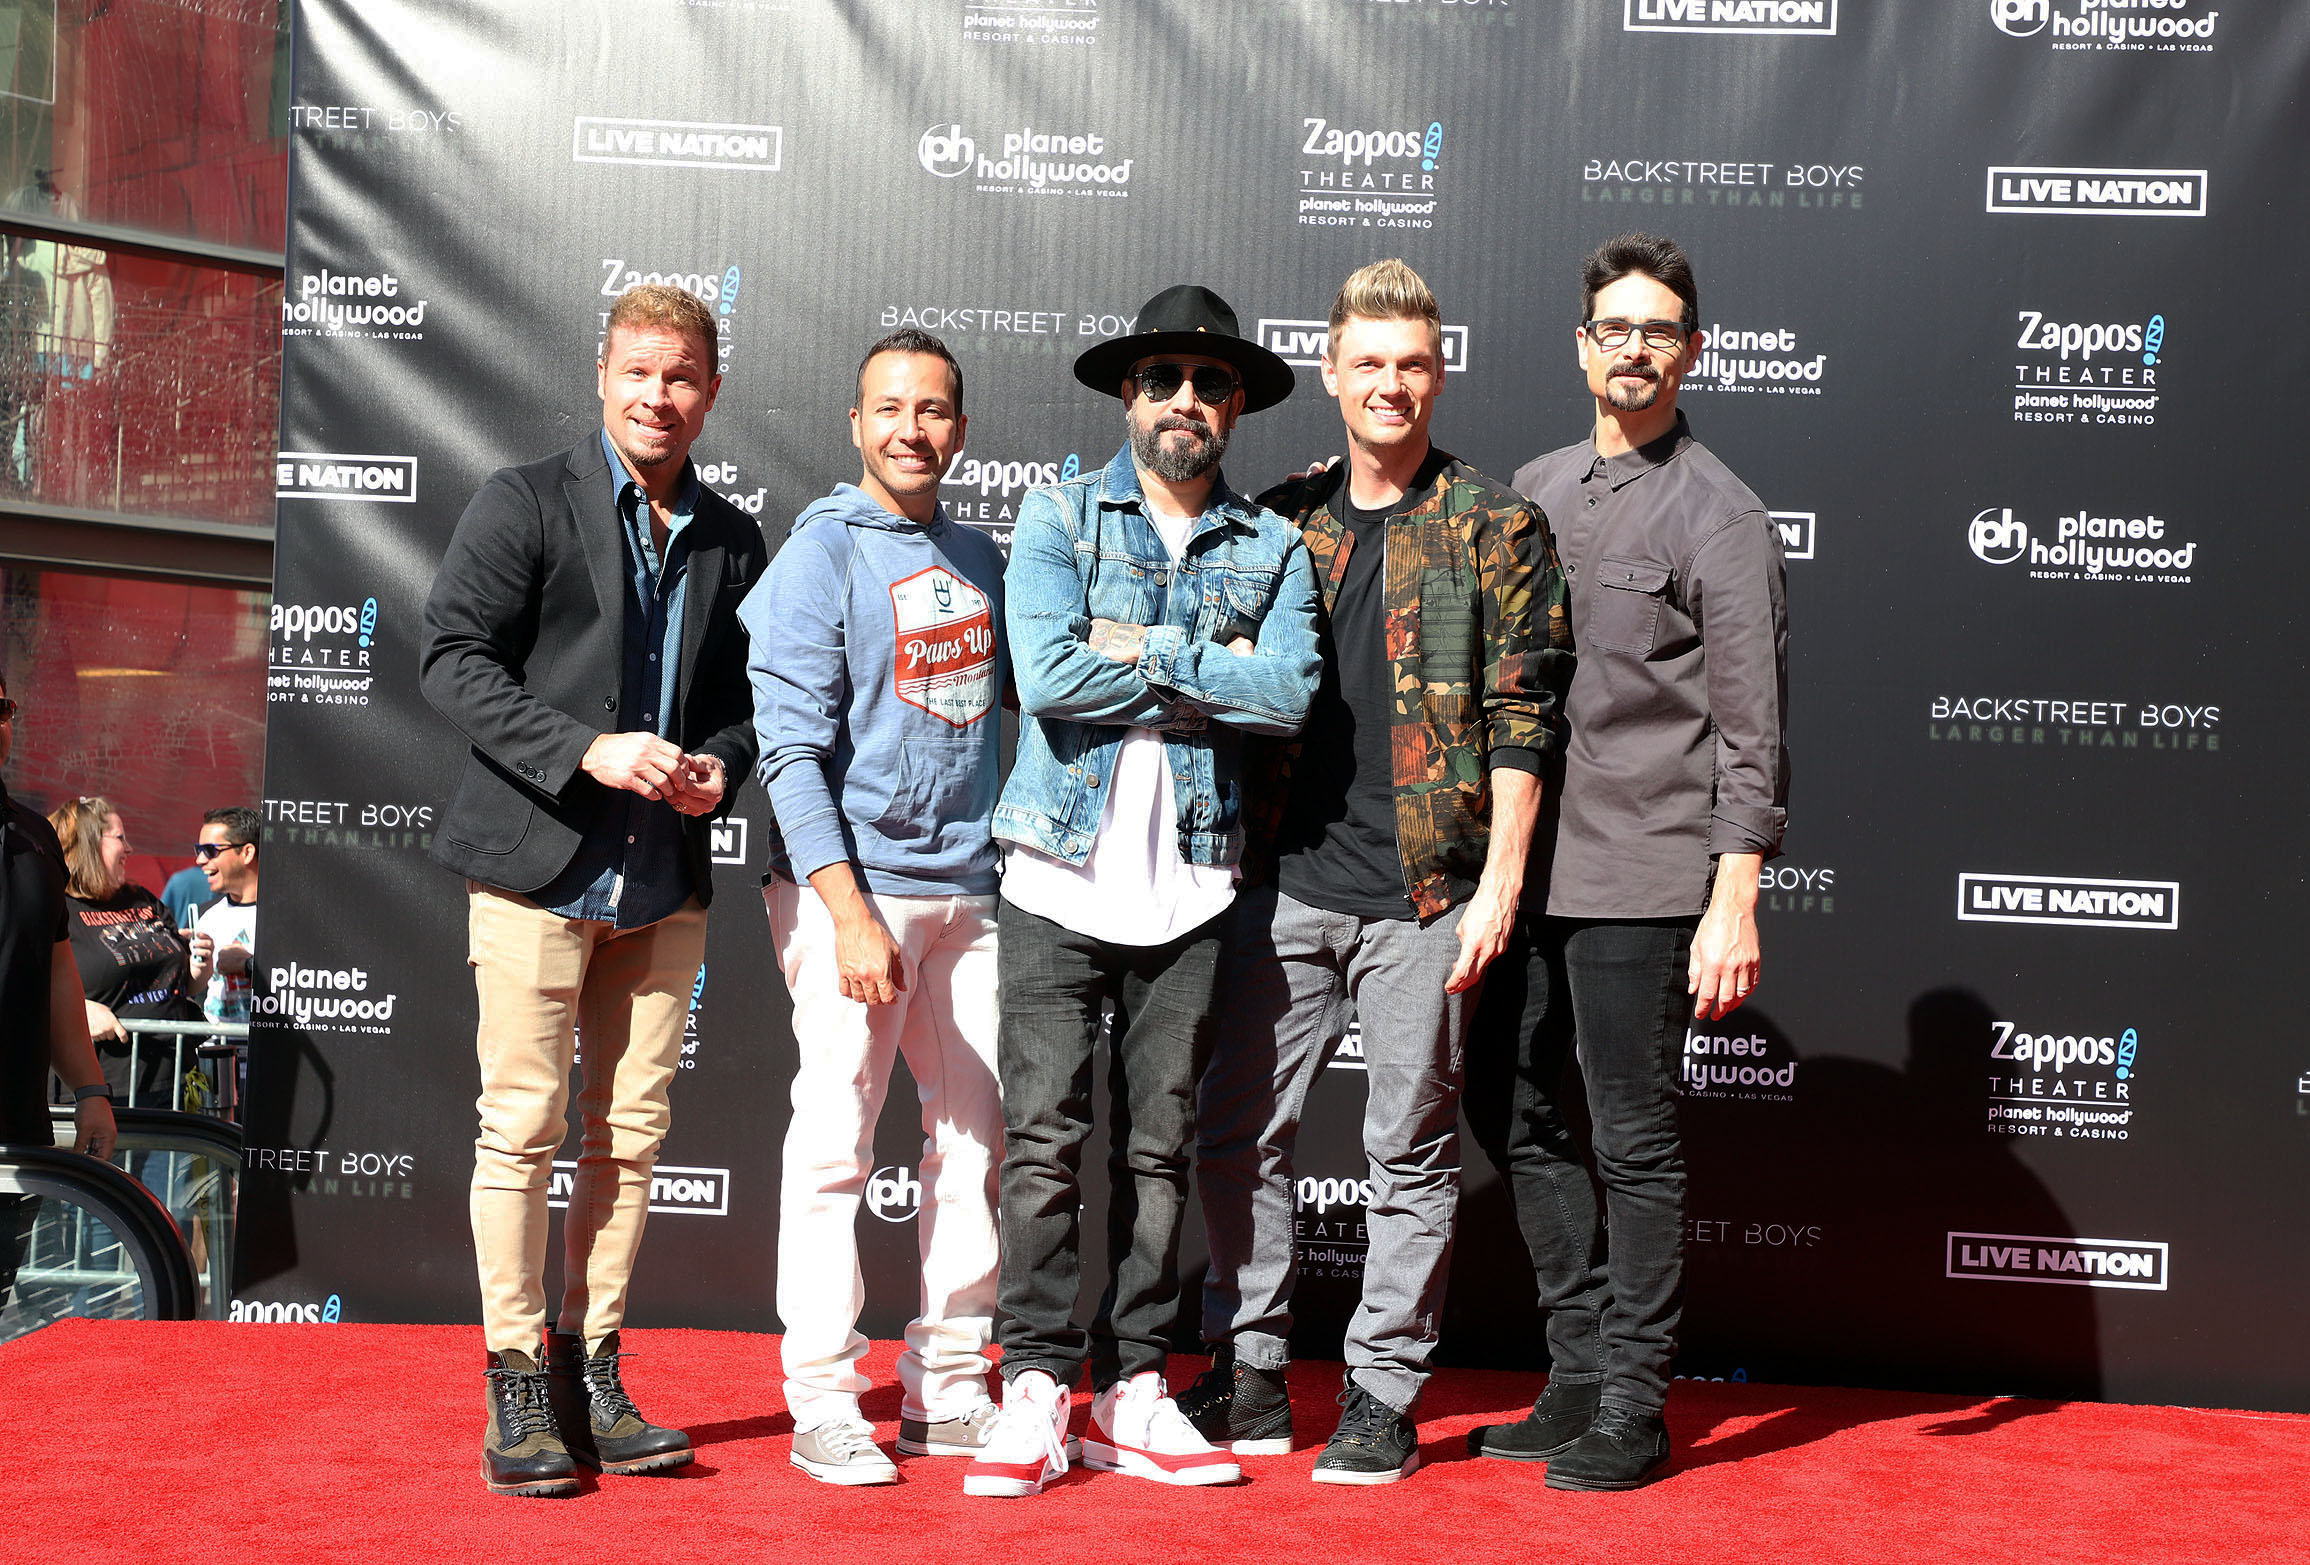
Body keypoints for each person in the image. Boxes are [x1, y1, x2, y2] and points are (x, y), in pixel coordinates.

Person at [1187, 259, 1574, 1485]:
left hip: (1430, 894)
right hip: (1283, 880)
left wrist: (1502, 880)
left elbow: (1526, 717)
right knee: (1241, 1131)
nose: (1390, 384)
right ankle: (1250, 1370)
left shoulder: (1496, 521)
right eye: (1369, 363)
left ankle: (1379, 1394)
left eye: (1412, 363)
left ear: (1438, 373)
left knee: (1409, 1150)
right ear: (1332, 373)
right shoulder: (1281, 519)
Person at [963, 286, 1322, 1499]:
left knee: (1161, 1153)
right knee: (1045, 1146)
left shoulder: (1272, 547)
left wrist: (1151, 649)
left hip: (1195, 894)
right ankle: (1031, 1388)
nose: (1186, 399)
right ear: (1129, 392)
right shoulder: (1059, 511)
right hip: (1056, 880)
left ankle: (1135, 1390)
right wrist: (1204, 673)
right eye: (1164, 377)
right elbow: (1050, 674)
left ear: (1236, 408)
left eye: (1210, 383)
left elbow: (1288, 700)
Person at [419, 283, 772, 1498]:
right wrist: (586, 745)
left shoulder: (733, 538)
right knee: (521, 1128)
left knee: (630, 1137)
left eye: (681, 376)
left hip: (662, 885)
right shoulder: (524, 500)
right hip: (535, 867)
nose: (657, 394)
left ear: (711, 392)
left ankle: (593, 1370)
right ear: (602, 375)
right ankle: (516, 1385)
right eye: (638, 371)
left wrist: (720, 761)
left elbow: (746, 701)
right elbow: (450, 659)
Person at [1465, 232, 1788, 1491]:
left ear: (1691, 349)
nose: (1636, 346)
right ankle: (1580, 1374)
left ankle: (1638, 1405)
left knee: (1636, 1140)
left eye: (1661, 329)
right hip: (1519, 874)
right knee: (1516, 1113)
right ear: (1583, 345)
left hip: (1648, 880)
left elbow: (1753, 728)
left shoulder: (1724, 512)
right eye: (1617, 327)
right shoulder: (1533, 486)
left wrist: (1736, 894)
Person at [740, 328, 1009, 1486]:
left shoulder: (984, 552)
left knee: (976, 1146)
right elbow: (789, 752)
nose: (912, 428)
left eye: (934, 409)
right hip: (857, 892)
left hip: (975, 892)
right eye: (890, 408)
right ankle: (823, 1399)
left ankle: (948, 1388)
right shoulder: (817, 553)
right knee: (834, 1149)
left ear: (959, 427)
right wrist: (843, 908)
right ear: (856, 423)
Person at [0, 674, 120, 1309]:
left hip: (14, 1133)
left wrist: (91, 1090)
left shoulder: (34, 837)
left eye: (1, 707)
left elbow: (56, 973)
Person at [47, 795, 200, 1108]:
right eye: (120, 838)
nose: (129, 848)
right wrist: (76, 1010)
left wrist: (197, 971)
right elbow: (19, 979)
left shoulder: (141, 899)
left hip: (172, 1083)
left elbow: (175, 980)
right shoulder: (56, 907)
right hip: (102, 1091)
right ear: (89, 844)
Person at [187, 806, 259, 1027]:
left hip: (268, 1056)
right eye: (198, 849)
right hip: (217, 1055)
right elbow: (194, 990)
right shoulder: (206, 916)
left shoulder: (285, 915)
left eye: (210, 850)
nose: (200, 859)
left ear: (247, 852)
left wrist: (247, 965)